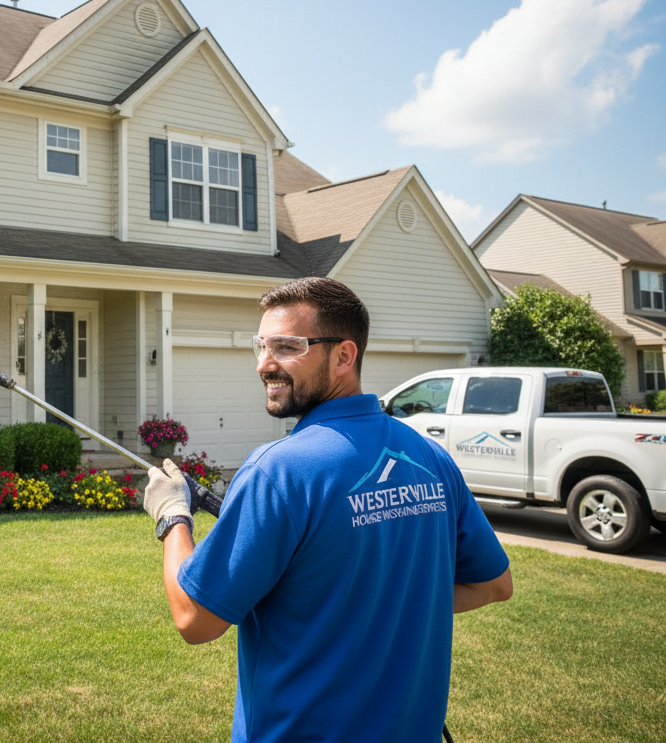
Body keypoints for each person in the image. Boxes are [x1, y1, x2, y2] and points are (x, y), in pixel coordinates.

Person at [143, 277, 512, 743]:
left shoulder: (276, 472)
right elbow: (493, 584)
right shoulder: (429, 457)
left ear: (343, 355)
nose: (264, 364)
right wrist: (388, 605)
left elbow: (194, 619)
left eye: (287, 346)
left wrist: (173, 515)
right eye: (261, 346)